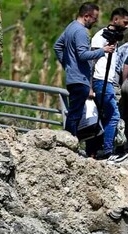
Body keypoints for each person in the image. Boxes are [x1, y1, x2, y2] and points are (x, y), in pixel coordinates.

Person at [54, 3, 114, 139]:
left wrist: (68, 65)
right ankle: (68, 143)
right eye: (95, 18)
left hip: (73, 78)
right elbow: (82, 55)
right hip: (80, 79)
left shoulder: (70, 27)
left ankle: (69, 142)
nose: (96, 21)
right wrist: (102, 51)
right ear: (86, 16)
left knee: (74, 113)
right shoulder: (81, 32)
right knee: (75, 115)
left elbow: (57, 46)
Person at [86, 7, 128, 159]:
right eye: (125, 22)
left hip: (107, 81)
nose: (127, 26)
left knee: (102, 116)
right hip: (100, 80)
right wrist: (90, 86)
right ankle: (108, 152)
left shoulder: (114, 38)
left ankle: (93, 151)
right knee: (113, 116)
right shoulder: (100, 37)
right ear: (116, 20)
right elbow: (91, 61)